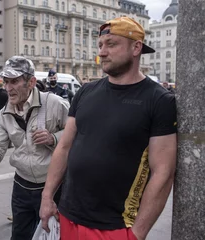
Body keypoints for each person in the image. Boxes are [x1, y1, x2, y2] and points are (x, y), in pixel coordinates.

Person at [40, 17, 177, 240]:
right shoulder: (86, 92)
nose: (102, 52)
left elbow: (163, 172)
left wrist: (137, 233)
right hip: (67, 215)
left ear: (136, 48)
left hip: (115, 227)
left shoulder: (159, 100)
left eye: (111, 44)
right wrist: (47, 197)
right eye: (100, 45)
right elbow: (64, 147)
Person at [0, 56, 70, 240]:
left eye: (15, 81)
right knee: (19, 235)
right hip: (22, 186)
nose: (8, 88)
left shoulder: (54, 103)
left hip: (55, 185)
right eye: (6, 82)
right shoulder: (3, 115)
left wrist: (53, 138)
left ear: (31, 82)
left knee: (56, 235)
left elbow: (78, 133)